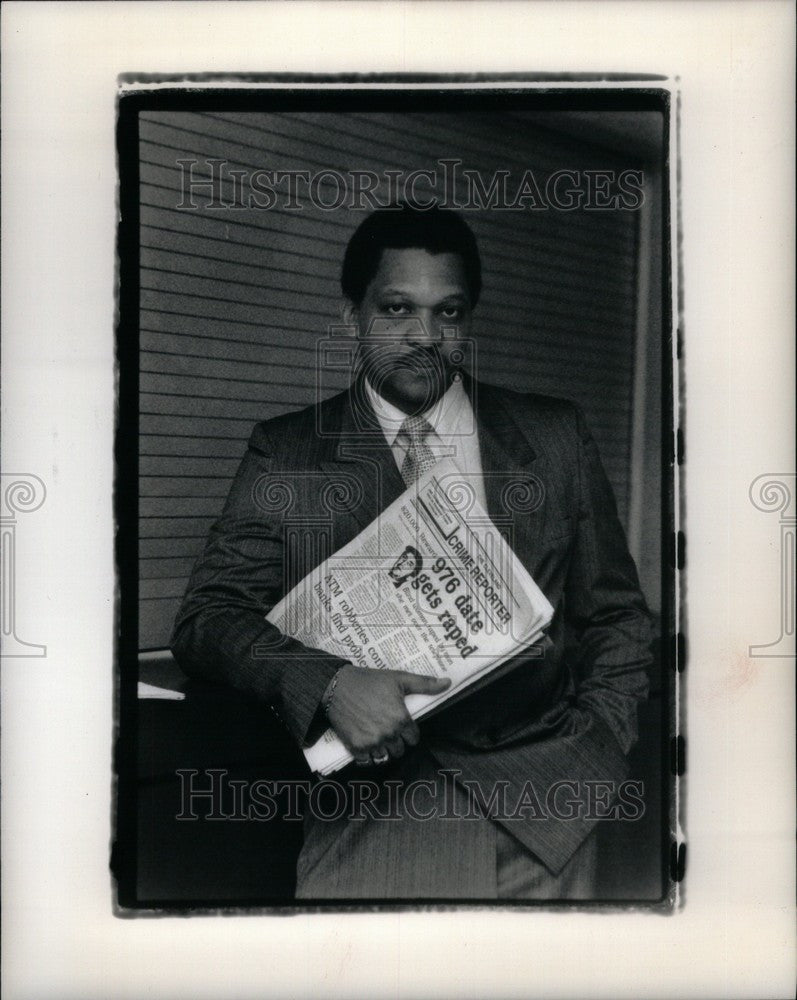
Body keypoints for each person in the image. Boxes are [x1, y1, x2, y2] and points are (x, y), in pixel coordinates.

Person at [171, 203, 653, 900]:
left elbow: (617, 618)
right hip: (376, 814)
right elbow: (208, 618)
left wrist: (597, 745)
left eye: (448, 313)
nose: (424, 336)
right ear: (352, 318)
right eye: (396, 309)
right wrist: (329, 684)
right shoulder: (288, 450)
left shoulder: (553, 435)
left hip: (548, 814)